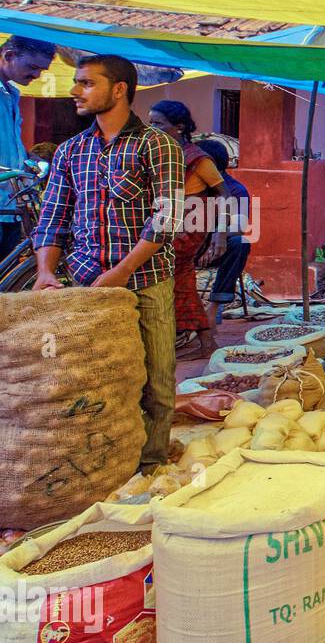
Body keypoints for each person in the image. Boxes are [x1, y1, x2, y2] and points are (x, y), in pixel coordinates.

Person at [31, 55, 183, 473]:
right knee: (93, 377)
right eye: (77, 83)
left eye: (86, 83)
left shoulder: (156, 144)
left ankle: (149, 465)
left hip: (145, 280)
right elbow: (53, 219)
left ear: (119, 89)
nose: (75, 91)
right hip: (84, 284)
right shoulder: (70, 151)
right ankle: (104, 461)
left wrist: (123, 271)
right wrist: (46, 272)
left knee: (157, 380)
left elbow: (167, 217)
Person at [147, 101, 228, 357]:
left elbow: (224, 195)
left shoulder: (197, 158)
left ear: (179, 127)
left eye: (159, 124)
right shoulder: (159, 153)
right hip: (165, 222)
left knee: (160, 272)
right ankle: (204, 342)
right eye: (150, 123)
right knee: (180, 281)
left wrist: (220, 234)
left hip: (188, 226)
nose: (152, 129)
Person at [0, 36, 56, 259]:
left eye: (41, 70)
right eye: (33, 67)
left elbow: (12, 148)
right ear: (9, 56)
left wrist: (32, 160)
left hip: (10, 209)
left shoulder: (11, 94)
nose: (36, 76)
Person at [196, 138, 252, 327]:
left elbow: (238, 227)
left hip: (217, 249)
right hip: (188, 246)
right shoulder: (191, 185)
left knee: (240, 243)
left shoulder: (236, 190)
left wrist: (215, 238)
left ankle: (214, 307)